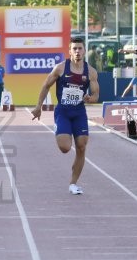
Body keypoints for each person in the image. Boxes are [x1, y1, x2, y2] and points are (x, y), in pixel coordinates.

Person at [30, 36, 100, 195]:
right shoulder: (60, 68)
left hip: (79, 112)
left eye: (80, 48)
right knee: (65, 148)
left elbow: (96, 95)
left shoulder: (91, 72)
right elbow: (46, 85)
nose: (77, 52)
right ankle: (62, 134)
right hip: (63, 111)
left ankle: (73, 183)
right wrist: (38, 107)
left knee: (81, 146)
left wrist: (91, 99)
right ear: (69, 51)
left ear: (84, 51)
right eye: (74, 49)